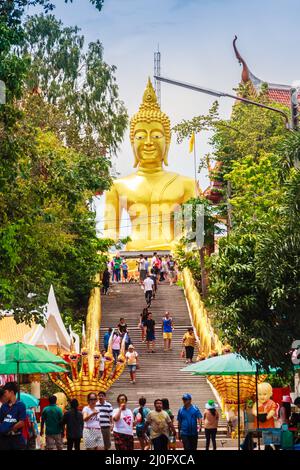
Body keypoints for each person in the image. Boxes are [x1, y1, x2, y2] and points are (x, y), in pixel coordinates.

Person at [0, 381, 26, 450]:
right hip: (4, 439)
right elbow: (1, 421)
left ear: (11, 392)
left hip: (16, 439)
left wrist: (10, 428)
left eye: (5, 392)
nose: (4, 394)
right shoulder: (3, 406)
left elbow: (22, 422)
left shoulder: (21, 405)